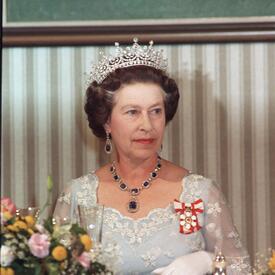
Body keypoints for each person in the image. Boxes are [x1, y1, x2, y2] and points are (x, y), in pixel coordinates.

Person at [54, 38, 251, 274]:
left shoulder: (200, 192)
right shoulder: (77, 196)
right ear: (107, 121)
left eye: (155, 111)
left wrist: (208, 260)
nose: (147, 125)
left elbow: (241, 269)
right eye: (132, 112)